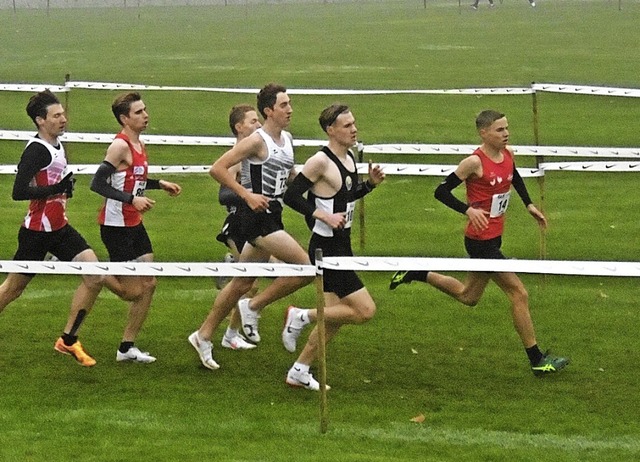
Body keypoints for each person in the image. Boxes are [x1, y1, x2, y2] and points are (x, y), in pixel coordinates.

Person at [389, 109, 568, 377]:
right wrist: (468, 210)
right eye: (499, 130)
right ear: (483, 133)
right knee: (519, 293)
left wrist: (529, 204)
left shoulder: (508, 154)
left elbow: (513, 176)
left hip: (494, 235)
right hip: (480, 241)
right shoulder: (473, 162)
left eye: (507, 128)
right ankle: (537, 360)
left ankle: (416, 272)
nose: (506, 133)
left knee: (468, 296)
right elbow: (440, 191)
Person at [188, 83, 313, 370]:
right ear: (269, 111)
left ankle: (203, 334)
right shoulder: (256, 141)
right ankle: (252, 307)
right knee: (305, 268)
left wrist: (319, 184)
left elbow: (289, 175)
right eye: (284, 105)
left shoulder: (288, 139)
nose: (290, 109)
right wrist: (247, 194)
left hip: (274, 213)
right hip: (256, 218)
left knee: (242, 282)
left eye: (290, 103)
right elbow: (217, 169)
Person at [280, 104, 385, 391]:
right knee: (364, 310)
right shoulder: (319, 162)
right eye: (347, 125)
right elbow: (291, 196)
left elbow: (346, 197)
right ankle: (300, 315)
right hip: (326, 248)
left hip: (343, 244)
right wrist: (321, 215)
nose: (354, 129)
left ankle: (299, 370)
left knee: (334, 319)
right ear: (331, 130)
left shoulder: (348, 158)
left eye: (354, 123)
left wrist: (370, 186)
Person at [0, 89, 104, 367]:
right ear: (40, 121)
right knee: (11, 290)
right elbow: (19, 191)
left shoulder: (57, 145)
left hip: (59, 229)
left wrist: (63, 191)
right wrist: (58, 188)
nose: (63, 119)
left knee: (94, 277)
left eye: (63, 114)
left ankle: (68, 340)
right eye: (56, 116)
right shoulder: (36, 150)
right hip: (36, 233)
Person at [90, 91, 182, 364]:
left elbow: (131, 179)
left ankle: (126, 347)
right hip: (116, 225)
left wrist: (158, 184)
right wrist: (132, 199)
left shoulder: (139, 144)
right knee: (132, 292)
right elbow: (97, 184)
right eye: (139, 112)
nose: (146, 115)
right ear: (124, 118)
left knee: (150, 283)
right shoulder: (119, 146)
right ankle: (93, 270)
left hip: (134, 223)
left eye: (145, 110)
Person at [214, 104, 263, 351]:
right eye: (253, 121)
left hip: (255, 222)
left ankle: (231, 333)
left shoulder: (257, 155)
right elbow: (223, 195)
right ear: (239, 127)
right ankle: (229, 334)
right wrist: (248, 195)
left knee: (250, 282)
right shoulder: (235, 155)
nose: (259, 125)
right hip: (237, 225)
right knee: (248, 284)